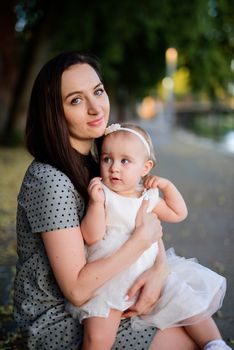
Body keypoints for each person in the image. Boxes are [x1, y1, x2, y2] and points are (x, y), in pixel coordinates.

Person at [13, 51, 204, 350]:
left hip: (109, 292)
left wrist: (159, 270)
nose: (95, 107)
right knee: (189, 344)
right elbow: (76, 290)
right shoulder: (49, 180)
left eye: (98, 91)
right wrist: (141, 243)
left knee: (195, 319)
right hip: (60, 317)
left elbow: (142, 224)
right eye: (76, 100)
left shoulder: (98, 164)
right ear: (54, 113)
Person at [66, 122, 230, 350]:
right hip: (111, 274)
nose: (114, 167)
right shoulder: (102, 193)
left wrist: (167, 186)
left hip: (148, 269)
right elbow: (92, 236)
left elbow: (178, 213)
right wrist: (95, 204)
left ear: (145, 168)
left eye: (125, 161)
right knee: (99, 337)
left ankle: (215, 343)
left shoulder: (148, 195)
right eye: (107, 159)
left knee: (187, 300)